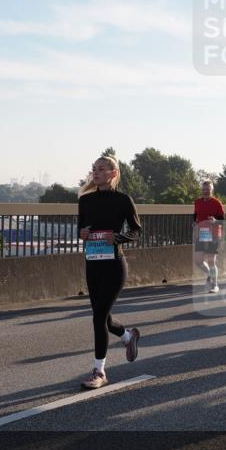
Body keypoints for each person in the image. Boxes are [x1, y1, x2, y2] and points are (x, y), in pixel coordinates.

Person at [78, 155, 142, 388]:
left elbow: (136, 231)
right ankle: (128, 336)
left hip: (115, 266)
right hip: (93, 264)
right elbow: (81, 229)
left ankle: (99, 372)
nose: (95, 172)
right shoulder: (85, 200)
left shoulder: (123, 200)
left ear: (113, 174)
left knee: (98, 317)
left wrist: (116, 237)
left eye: (101, 169)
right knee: (102, 317)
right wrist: (83, 234)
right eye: (94, 168)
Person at [193, 180, 224, 293]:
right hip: (203, 233)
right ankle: (210, 275)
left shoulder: (217, 203)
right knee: (198, 261)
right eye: (204, 189)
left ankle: (214, 285)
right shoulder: (197, 202)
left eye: (208, 190)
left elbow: (222, 221)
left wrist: (215, 221)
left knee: (211, 261)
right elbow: (195, 216)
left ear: (212, 190)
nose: (206, 191)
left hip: (214, 234)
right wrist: (195, 224)